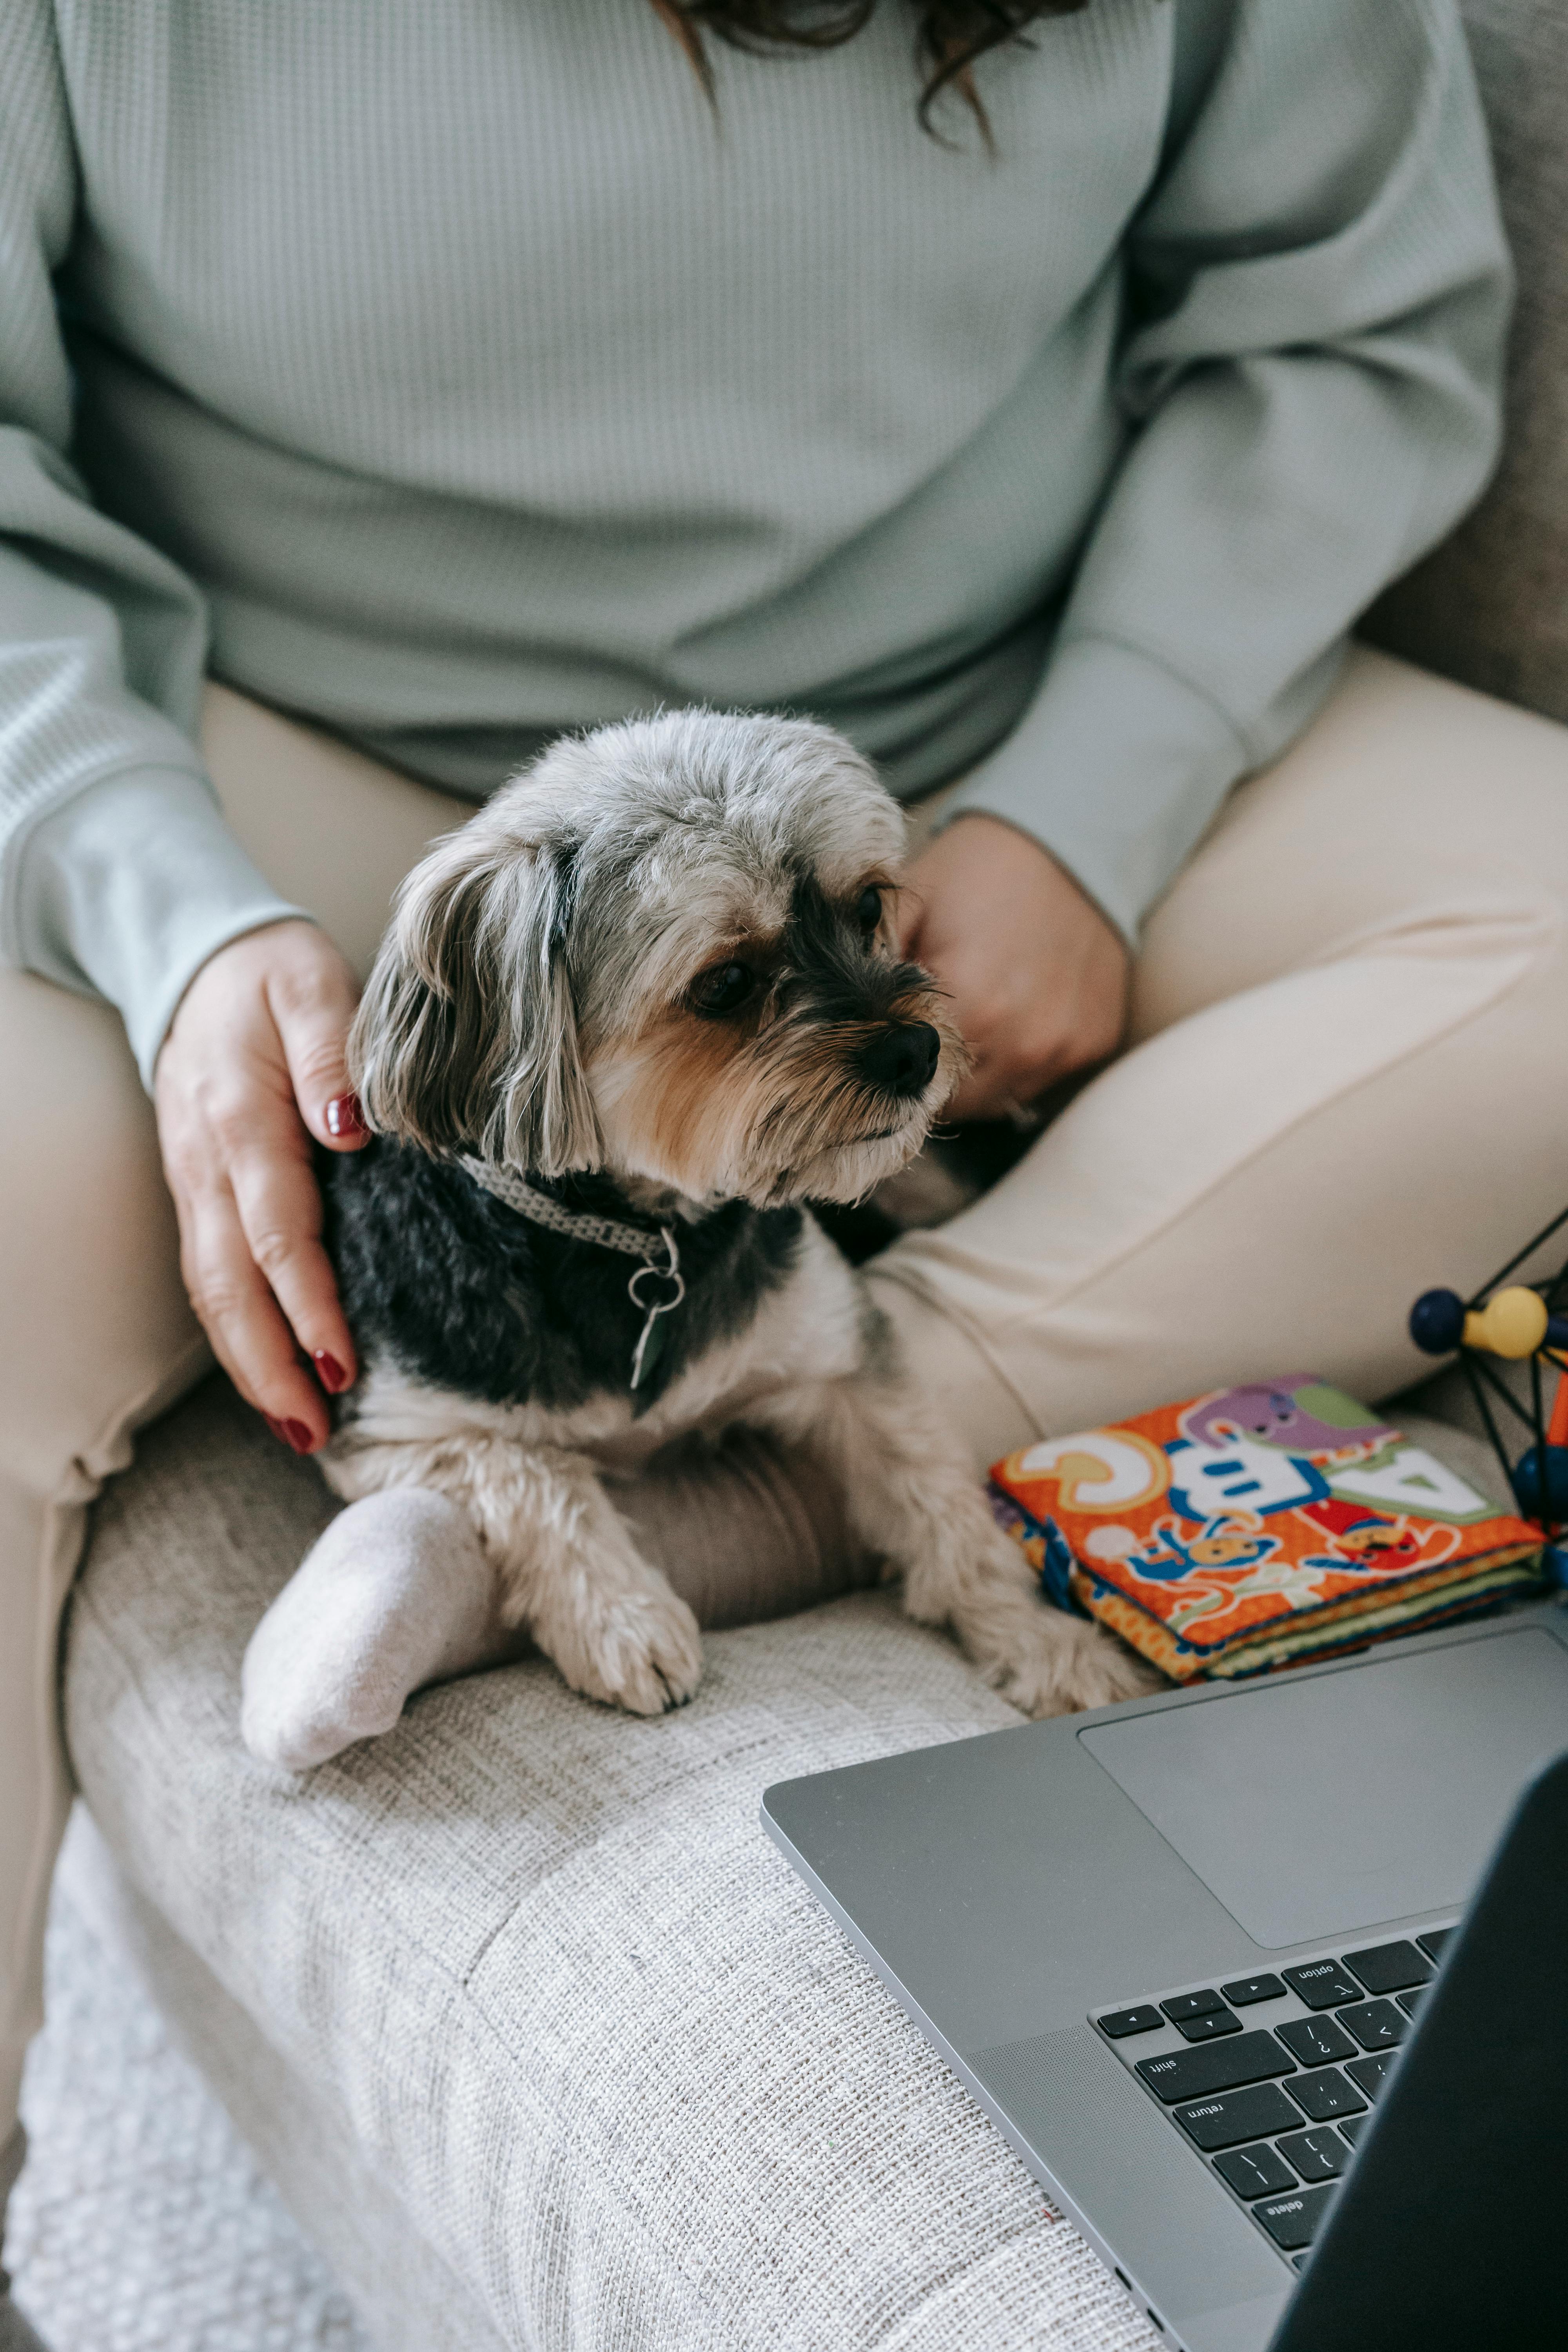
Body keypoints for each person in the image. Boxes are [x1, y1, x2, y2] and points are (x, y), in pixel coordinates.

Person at [5, 1, 1567, 2338]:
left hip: (978, 736)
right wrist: (169, 908)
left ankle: (721, 1434)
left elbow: (1348, 319)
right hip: (289, 763)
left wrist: (1097, 791)